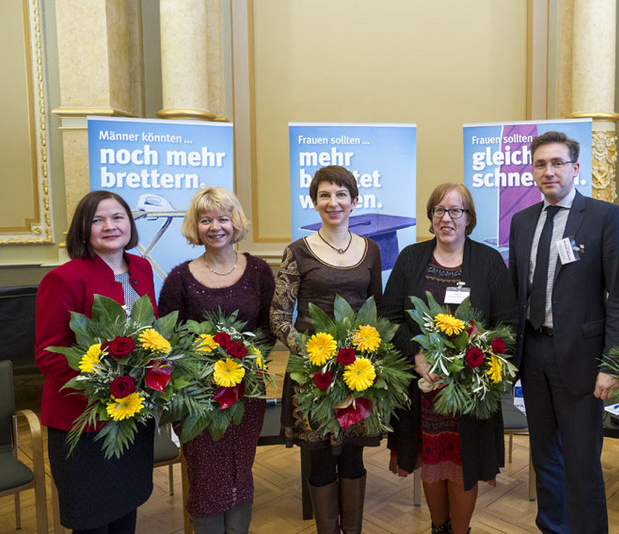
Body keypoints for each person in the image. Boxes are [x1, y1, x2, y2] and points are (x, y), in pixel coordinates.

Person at [508, 131, 619, 533]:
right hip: (535, 355)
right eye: (541, 164)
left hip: (582, 359)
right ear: (533, 170)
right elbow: (517, 291)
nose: (549, 171)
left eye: (557, 163)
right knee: (545, 456)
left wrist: (612, 363)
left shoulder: (603, 217)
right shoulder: (523, 221)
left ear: (575, 168)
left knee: (581, 461)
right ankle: (553, 528)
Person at [383, 183, 516, 534]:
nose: (447, 218)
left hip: (470, 392)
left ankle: (461, 531)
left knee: (462, 462)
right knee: (432, 460)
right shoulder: (411, 258)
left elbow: (508, 323)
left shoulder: (488, 261)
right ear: (430, 218)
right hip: (423, 388)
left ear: (469, 218)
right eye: (439, 210)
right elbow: (389, 317)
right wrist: (416, 356)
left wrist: (479, 366)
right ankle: (438, 527)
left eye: (456, 211)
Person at [35, 190, 157, 534]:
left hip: (132, 416)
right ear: (82, 229)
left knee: (125, 510)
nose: (109, 226)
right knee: (91, 520)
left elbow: (152, 333)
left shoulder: (142, 268)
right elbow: (47, 353)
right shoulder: (63, 279)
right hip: (83, 420)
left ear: (130, 224)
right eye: (97, 220)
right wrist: (104, 386)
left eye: (117, 217)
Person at [270, 165, 382, 534]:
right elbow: (279, 316)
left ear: (355, 200)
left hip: (358, 373)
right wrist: (313, 353)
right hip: (310, 373)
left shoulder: (371, 250)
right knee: (318, 460)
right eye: (324, 195)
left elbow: (376, 312)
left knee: (353, 456)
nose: (333, 202)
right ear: (314, 202)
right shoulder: (297, 251)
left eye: (340, 194)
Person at [159, 186, 275, 534]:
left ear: (235, 221)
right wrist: (201, 372)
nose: (215, 227)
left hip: (246, 392)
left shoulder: (258, 272)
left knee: (241, 470)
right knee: (206, 477)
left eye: (223, 218)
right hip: (197, 398)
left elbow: (269, 328)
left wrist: (249, 364)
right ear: (195, 226)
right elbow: (168, 339)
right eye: (205, 219)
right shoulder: (180, 278)